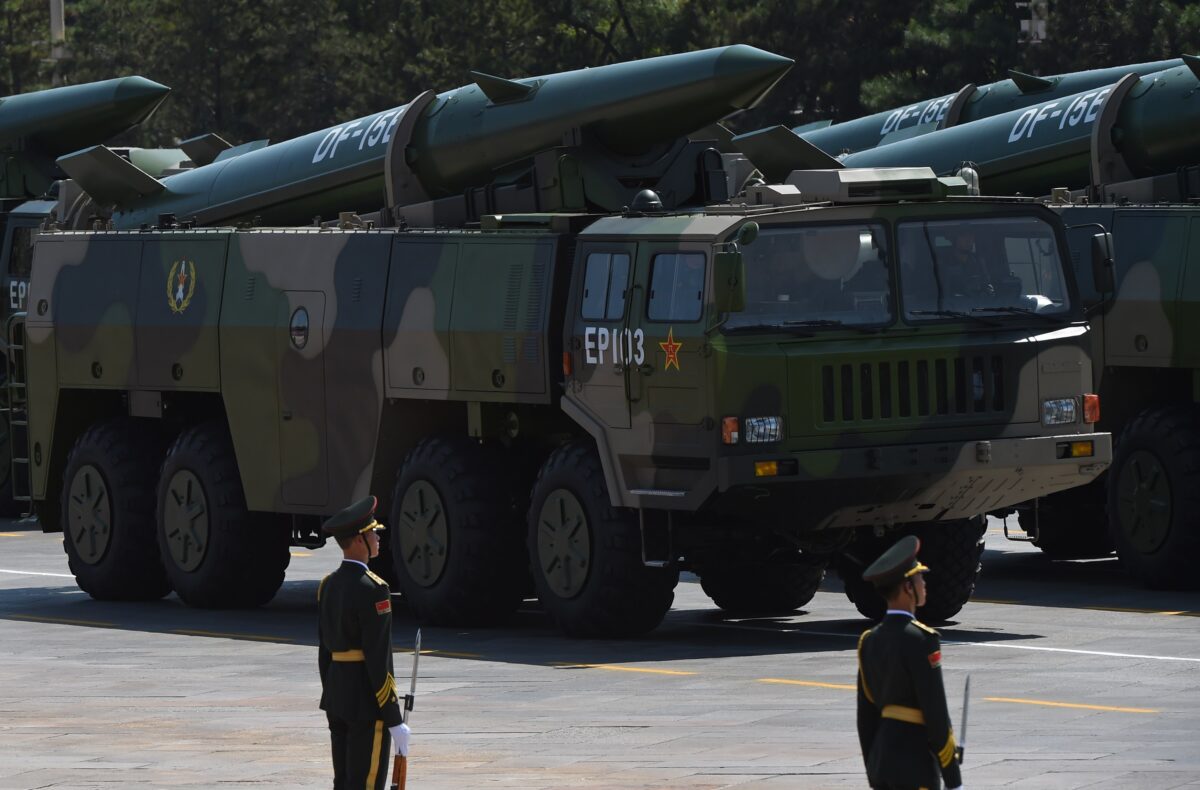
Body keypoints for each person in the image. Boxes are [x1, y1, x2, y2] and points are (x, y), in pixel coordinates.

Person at [318, 495, 411, 790]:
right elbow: (378, 658)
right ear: (359, 540)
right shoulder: (374, 590)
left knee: (343, 783)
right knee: (366, 784)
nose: (377, 538)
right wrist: (393, 717)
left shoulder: (328, 585)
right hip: (365, 705)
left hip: (337, 699)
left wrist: (332, 693)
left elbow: (325, 653)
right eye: (373, 533)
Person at [856, 535, 962, 790]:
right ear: (907, 588)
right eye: (919, 578)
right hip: (915, 765)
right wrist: (953, 779)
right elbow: (936, 714)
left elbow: (866, 718)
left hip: (881, 763)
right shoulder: (921, 639)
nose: (924, 583)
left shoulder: (869, 640)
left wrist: (874, 767)